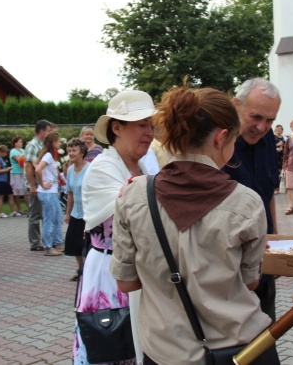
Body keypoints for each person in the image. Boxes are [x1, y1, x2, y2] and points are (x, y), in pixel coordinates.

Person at [111, 87, 272, 365]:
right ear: (222, 138)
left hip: (164, 352)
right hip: (237, 351)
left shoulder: (133, 196)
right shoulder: (247, 203)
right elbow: (250, 282)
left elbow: (126, 282)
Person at [74, 90, 156, 364]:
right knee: (112, 349)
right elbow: (133, 202)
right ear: (117, 128)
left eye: (151, 125)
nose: (149, 132)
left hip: (137, 272)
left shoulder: (142, 165)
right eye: (141, 124)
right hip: (109, 275)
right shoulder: (102, 168)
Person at [222, 77, 281, 364]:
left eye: (270, 120)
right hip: (230, 275)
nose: (262, 127)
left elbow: (268, 193)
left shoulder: (267, 138)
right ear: (236, 105)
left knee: (263, 343)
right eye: (256, 117)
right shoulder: (218, 143)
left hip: (264, 268)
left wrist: (278, 240)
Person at [24, 120, 55, 251]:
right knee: (36, 215)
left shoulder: (42, 145)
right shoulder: (33, 145)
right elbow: (29, 166)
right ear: (42, 131)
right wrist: (32, 186)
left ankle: (46, 240)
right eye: (48, 131)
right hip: (37, 186)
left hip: (44, 186)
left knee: (45, 214)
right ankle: (35, 243)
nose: (49, 134)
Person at [63, 138, 89, 280]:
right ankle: (80, 270)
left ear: (82, 152)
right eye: (69, 151)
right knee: (75, 243)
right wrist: (67, 213)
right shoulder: (70, 170)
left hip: (88, 214)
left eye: (74, 150)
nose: (71, 153)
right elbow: (70, 193)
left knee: (88, 244)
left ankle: (89, 271)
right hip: (75, 213)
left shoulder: (90, 169)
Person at [35, 131, 64, 256]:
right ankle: (48, 246)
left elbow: (37, 164)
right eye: (58, 141)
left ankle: (58, 242)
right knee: (49, 220)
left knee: (58, 217)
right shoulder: (48, 155)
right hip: (47, 193)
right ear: (53, 143)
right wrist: (42, 184)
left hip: (51, 192)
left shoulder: (50, 156)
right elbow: (37, 169)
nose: (60, 143)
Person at [0, 145, 16, 219]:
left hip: (4, 180)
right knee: (1, 196)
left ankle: (13, 211)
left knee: (10, 195)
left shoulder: (1, 159)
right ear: (1, 152)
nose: (5, 154)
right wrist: (7, 169)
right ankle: (0, 213)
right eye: (5, 153)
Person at [9, 136, 29, 215]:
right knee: (17, 191)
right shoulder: (13, 151)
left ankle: (29, 208)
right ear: (15, 143)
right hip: (16, 173)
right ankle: (19, 209)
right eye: (20, 142)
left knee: (25, 191)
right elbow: (19, 160)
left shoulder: (23, 150)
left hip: (23, 172)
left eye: (21, 142)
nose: (21, 143)